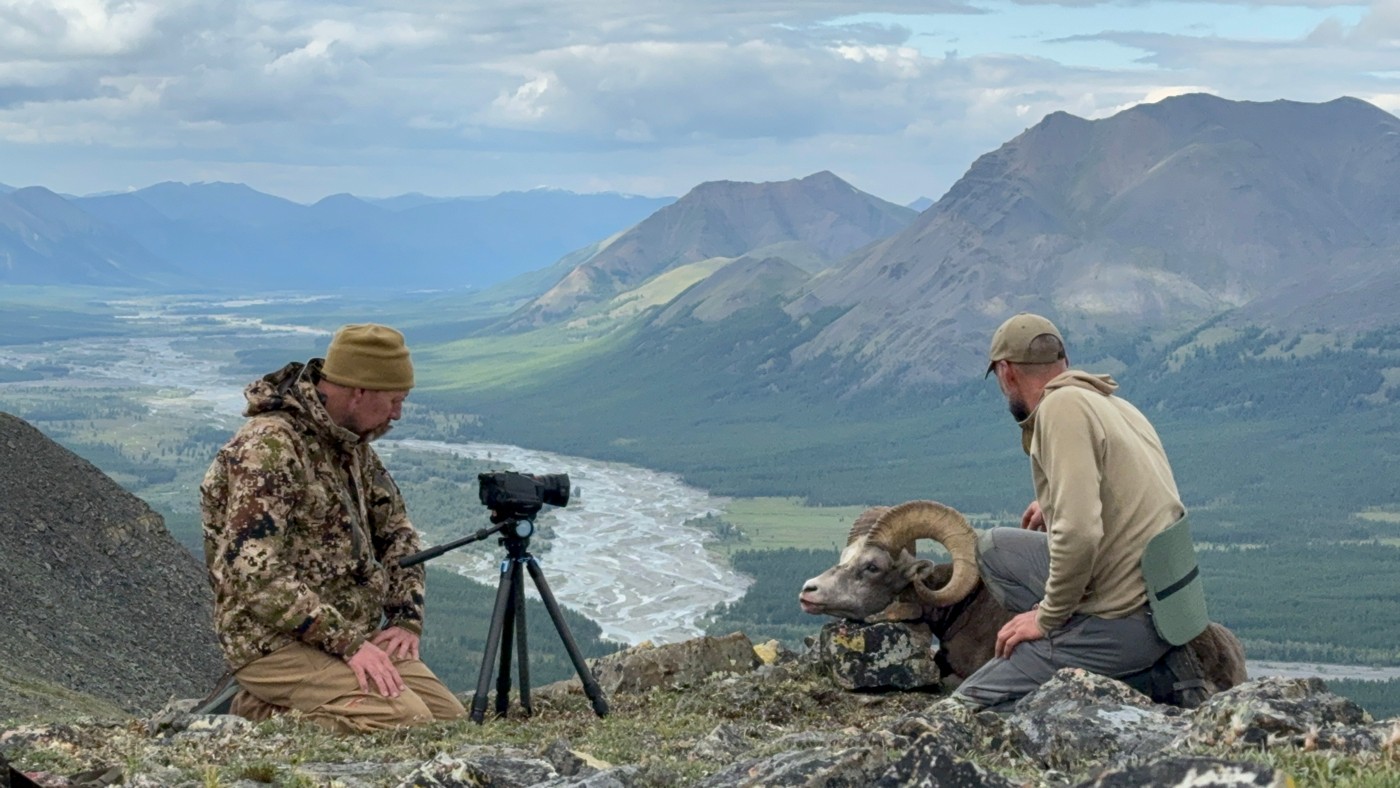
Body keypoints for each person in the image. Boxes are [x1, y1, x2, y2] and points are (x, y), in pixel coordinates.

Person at [200, 323, 465, 733]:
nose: (397, 413)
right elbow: (255, 576)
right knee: (404, 721)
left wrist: (405, 617)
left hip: (341, 635)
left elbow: (397, 533)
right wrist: (349, 643)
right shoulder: (269, 448)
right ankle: (256, 711)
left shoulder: (349, 445)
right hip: (273, 642)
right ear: (360, 390)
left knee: (448, 721)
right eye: (395, 400)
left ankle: (317, 697)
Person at [953, 312, 1201, 709]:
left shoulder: (1060, 409)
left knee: (968, 708)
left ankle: (1120, 670)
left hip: (1124, 617)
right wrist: (1052, 503)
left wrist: (1046, 618)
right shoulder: (1108, 401)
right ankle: (1097, 647)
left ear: (1005, 373)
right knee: (995, 549)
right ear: (1062, 362)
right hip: (1159, 599)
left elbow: (1081, 534)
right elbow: (1129, 494)